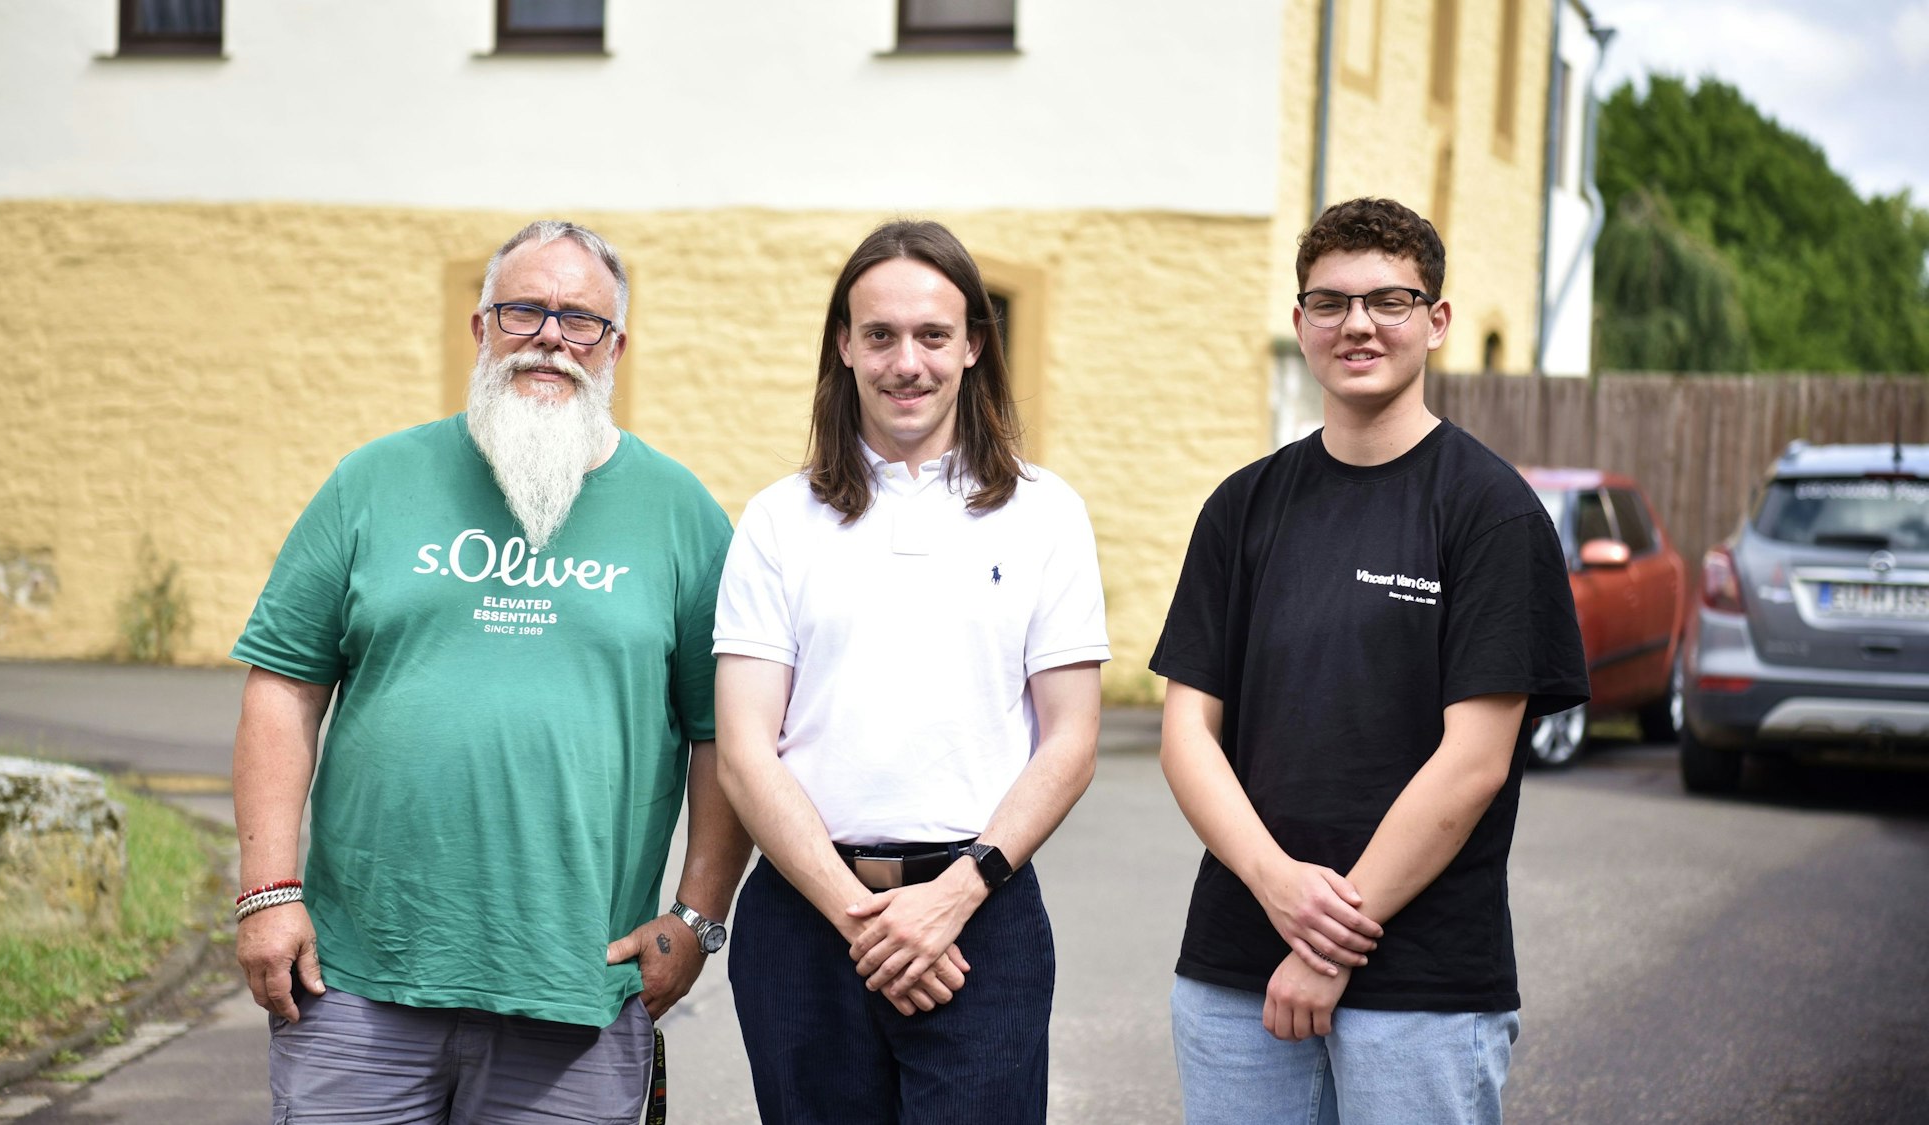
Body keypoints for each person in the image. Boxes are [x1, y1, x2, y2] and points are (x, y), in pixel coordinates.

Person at [230, 220, 751, 1124]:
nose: (551, 336)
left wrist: (697, 917)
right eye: (524, 310)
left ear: (615, 347)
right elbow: (284, 686)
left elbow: (725, 736)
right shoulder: (373, 482)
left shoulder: (683, 516)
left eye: (581, 320)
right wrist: (268, 893)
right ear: (481, 328)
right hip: (357, 981)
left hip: (579, 986)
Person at [1152, 197, 1588, 1125]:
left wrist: (1324, 948)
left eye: (1390, 300)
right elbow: (1187, 730)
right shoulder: (1242, 508)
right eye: (1331, 300)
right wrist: (1276, 883)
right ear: (1301, 321)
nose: (1357, 323)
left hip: (1421, 986)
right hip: (1235, 968)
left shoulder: (1491, 513)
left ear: (1435, 323)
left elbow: (1472, 762)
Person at [713, 219, 1109, 1125]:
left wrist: (954, 897)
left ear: (973, 345)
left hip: (982, 915)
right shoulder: (780, 520)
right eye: (880, 335)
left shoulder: (1044, 514)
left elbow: (1073, 740)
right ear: (844, 346)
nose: (907, 361)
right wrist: (863, 917)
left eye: (934, 335)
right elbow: (743, 750)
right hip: (807, 919)